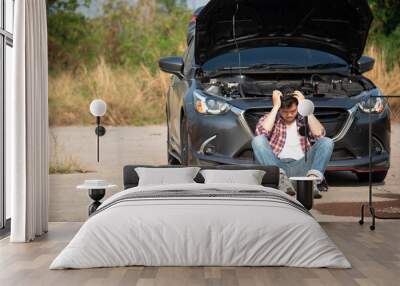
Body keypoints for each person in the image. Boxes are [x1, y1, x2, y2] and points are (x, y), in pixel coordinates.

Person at [251, 87, 333, 198]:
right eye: (285, 112)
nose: (289, 115)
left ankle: (312, 182)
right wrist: (275, 106)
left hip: (303, 167)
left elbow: (319, 134)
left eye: (293, 111)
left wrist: (305, 107)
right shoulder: (271, 118)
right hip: (278, 168)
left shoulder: (304, 118)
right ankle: (282, 182)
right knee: (257, 141)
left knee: (327, 142)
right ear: (280, 109)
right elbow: (260, 133)